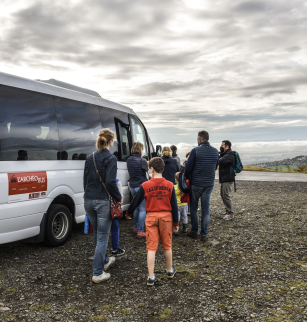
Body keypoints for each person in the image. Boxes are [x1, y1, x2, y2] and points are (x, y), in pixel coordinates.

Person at [126, 157, 179, 286]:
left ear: (152, 169)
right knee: (167, 246)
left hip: (151, 217)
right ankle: (169, 270)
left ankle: (151, 276)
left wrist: (129, 212)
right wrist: (176, 223)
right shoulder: (170, 185)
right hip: (166, 217)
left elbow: (136, 200)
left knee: (151, 248)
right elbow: (174, 206)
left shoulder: (145, 185)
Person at [83, 128, 122, 283]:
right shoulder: (111, 159)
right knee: (102, 237)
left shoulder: (89, 158)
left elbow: (85, 181)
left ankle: (105, 260)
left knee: (97, 233)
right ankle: (98, 273)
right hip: (103, 201)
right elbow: (110, 182)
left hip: (88, 200)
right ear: (110, 142)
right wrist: (118, 198)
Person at [185, 131, 219, 241]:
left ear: (199, 139)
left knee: (194, 207)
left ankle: (194, 231)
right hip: (209, 183)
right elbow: (215, 166)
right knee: (206, 209)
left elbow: (188, 168)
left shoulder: (195, 150)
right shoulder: (215, 151)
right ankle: (204, 234)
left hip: (196, 183)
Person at [126, 142, 148, 238]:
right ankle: (140, 231)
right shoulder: (143, 160)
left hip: (132, 185)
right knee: (143, 208)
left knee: (135, 207)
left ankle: (135, 228)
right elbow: (146, 175)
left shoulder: (128, 160)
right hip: (141, 186)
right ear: (140, 149)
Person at [219, 140, 236, 220]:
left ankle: (230, 213)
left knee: (226, 195)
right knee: (223, 194)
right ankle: (227, 210)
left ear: (227, 146)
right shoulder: (225, 154)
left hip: (227, 178)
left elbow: (220, 161)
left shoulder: (229, 155)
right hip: (224, 178)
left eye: (222, 145)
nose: (221, 147)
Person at [110, 179, 126, 256]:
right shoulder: (116, 181)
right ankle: (115, 249)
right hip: (112, 208)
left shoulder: (98, 178)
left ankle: (100, 253)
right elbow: (120, 196)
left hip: (101, 207)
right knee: (115, 228)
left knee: (101, 231)